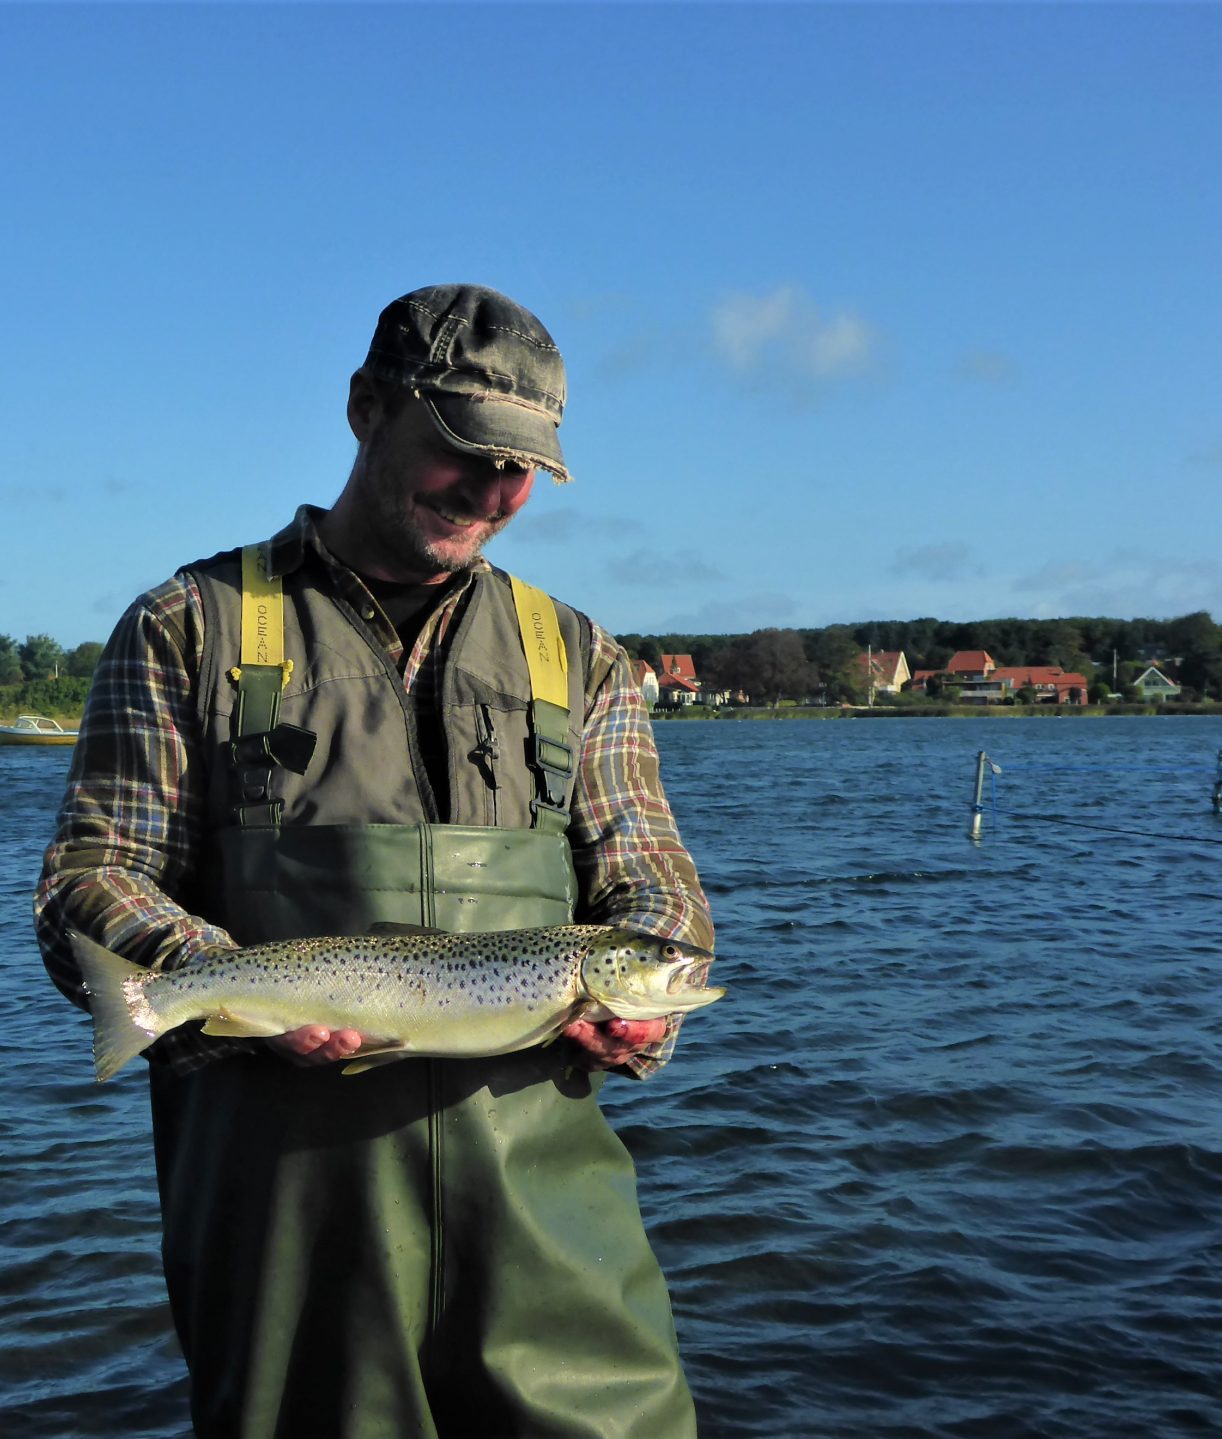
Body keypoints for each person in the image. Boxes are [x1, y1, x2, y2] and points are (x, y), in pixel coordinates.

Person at [35, 283, 715, 1438]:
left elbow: (653, 888)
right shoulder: (188, 625)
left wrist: (650, 1016)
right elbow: (91, 878)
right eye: (464, 449)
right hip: (288, 1236)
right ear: (365, 409)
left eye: (523, 471)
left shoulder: (581, 652)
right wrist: (234, 989)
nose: (493, 492)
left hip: (550, 1230)